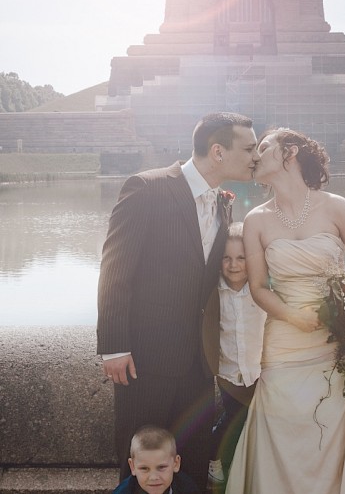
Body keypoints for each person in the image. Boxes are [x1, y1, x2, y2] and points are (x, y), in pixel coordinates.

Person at [224, 128, 345, 493]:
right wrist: (294, 316)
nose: (256, 155)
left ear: (289, 152)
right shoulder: (257, 220)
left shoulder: (336, 206)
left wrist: (344, 316)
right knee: (284, 436)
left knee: (339, 440)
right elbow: (259, 288)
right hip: (283, 346)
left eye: (264, 147)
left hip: (334, 347)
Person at [97, 112, 259, 490]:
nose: (255, 156)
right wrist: (114, 346)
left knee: (192, 467)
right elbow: (114, 270)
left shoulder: (223, 202)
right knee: (141, 468)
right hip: (144, 361)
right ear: (218, 151)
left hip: (198, 365)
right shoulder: (146, 188)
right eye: (249, 148)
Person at [200, 222, 266, 486]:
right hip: (228, 373)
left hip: (260, 372)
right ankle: (213, 458)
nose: (233, 265)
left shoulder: (262, 291)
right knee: (232, 418)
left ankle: (254, 469)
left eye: (241, 258)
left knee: (258, 422)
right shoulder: (214, 293)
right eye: (226, 258)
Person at [113, 425, 201, 494]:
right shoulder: (124, 491)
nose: (154, 477)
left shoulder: (187, 488)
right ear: (132, 467)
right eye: (144, 468)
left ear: (176, 463)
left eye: (161, 467)